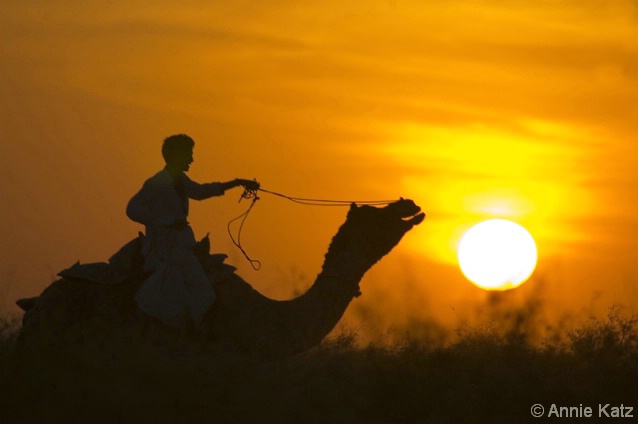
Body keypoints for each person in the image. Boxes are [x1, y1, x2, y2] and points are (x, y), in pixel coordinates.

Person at [126, 134, 259, 328]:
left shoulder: (180, 180)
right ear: (175, 155)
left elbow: (200, 192)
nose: (191, 159)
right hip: (166, 250)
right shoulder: (157, 183)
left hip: (180, 247)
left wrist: (237, 182)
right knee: (201, 293)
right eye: (188, 154)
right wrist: (167, 222)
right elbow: (132, 209)